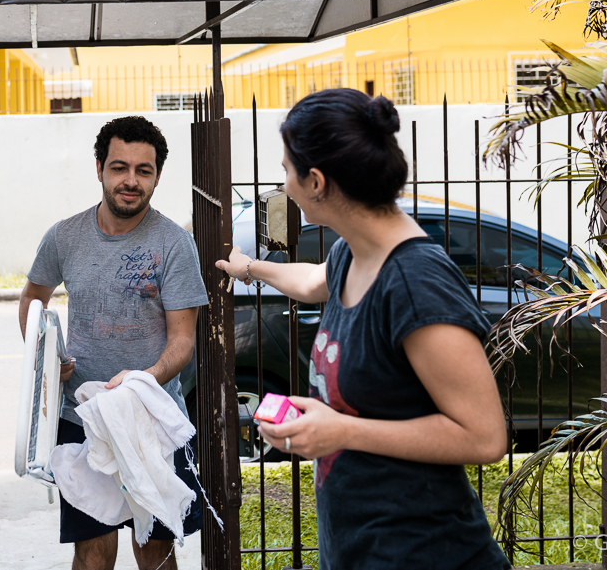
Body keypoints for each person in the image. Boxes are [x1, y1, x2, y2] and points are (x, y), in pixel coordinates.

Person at [216, 89, 510, 570]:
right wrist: (249, 268)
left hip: (425, 553)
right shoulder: (351, 253)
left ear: (316, 181)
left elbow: (483, 437)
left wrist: (341, 431)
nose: (283, 183)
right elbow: (312, 281)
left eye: (287, 170)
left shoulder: (416, 282)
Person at [20, 115, 209, 570]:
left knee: (155, 549)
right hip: (80, 416)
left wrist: (143, 380)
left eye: (144, 171)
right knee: (92, 552)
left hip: (153, 416)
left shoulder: (175, 244)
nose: (131, 181)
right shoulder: (64, 236)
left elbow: (183, 340)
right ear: (100, 168)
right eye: (119, 167)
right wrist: (46, 359)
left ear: (157, 176)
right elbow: (32, 301)